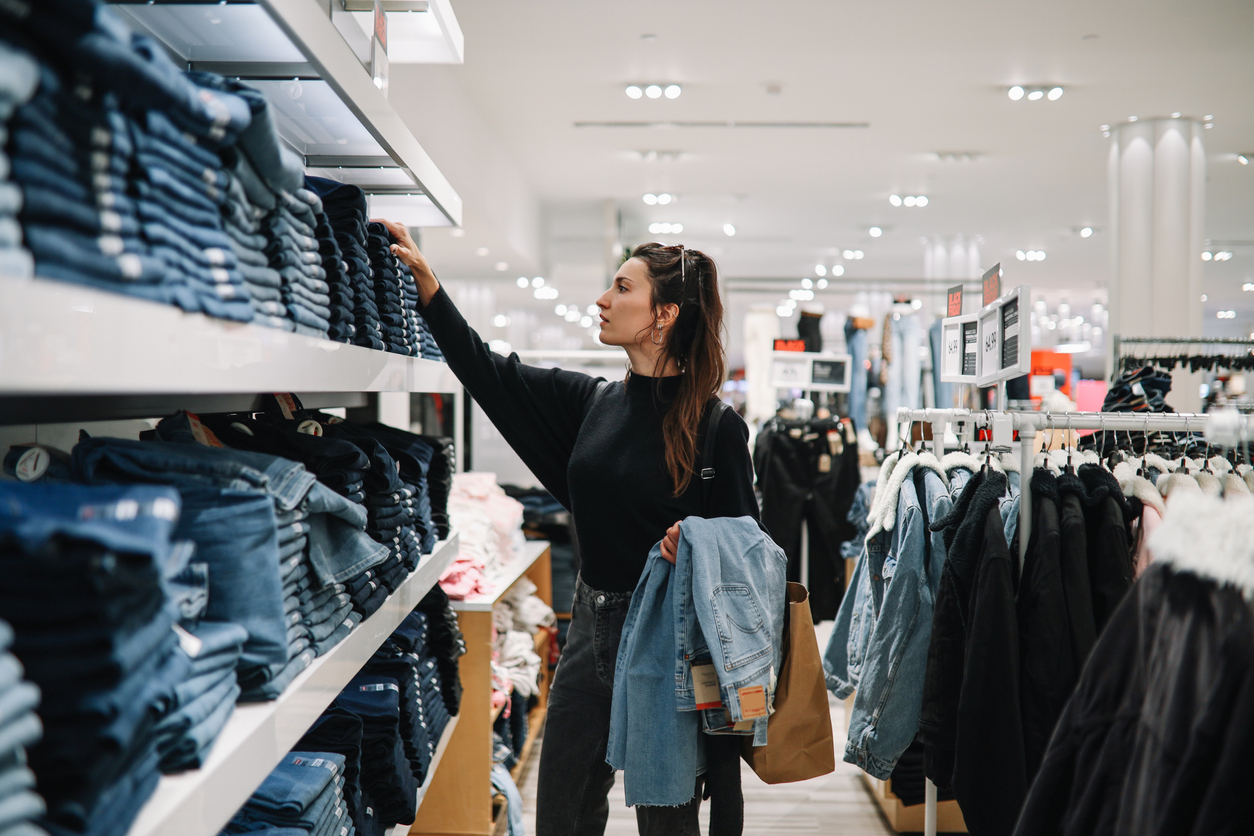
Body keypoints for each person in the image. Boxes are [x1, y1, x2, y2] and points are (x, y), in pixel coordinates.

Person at [376, 219, 760, 836]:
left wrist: (697, 540)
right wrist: (429, 288)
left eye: (621, 288)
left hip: (668, 640)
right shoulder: (595, 402)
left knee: (667, 816)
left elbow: (752, 555)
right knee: (563, 808)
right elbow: (489, 373)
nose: (602, 300)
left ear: (664, 314)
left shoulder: (716, 427)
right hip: (588, 627)